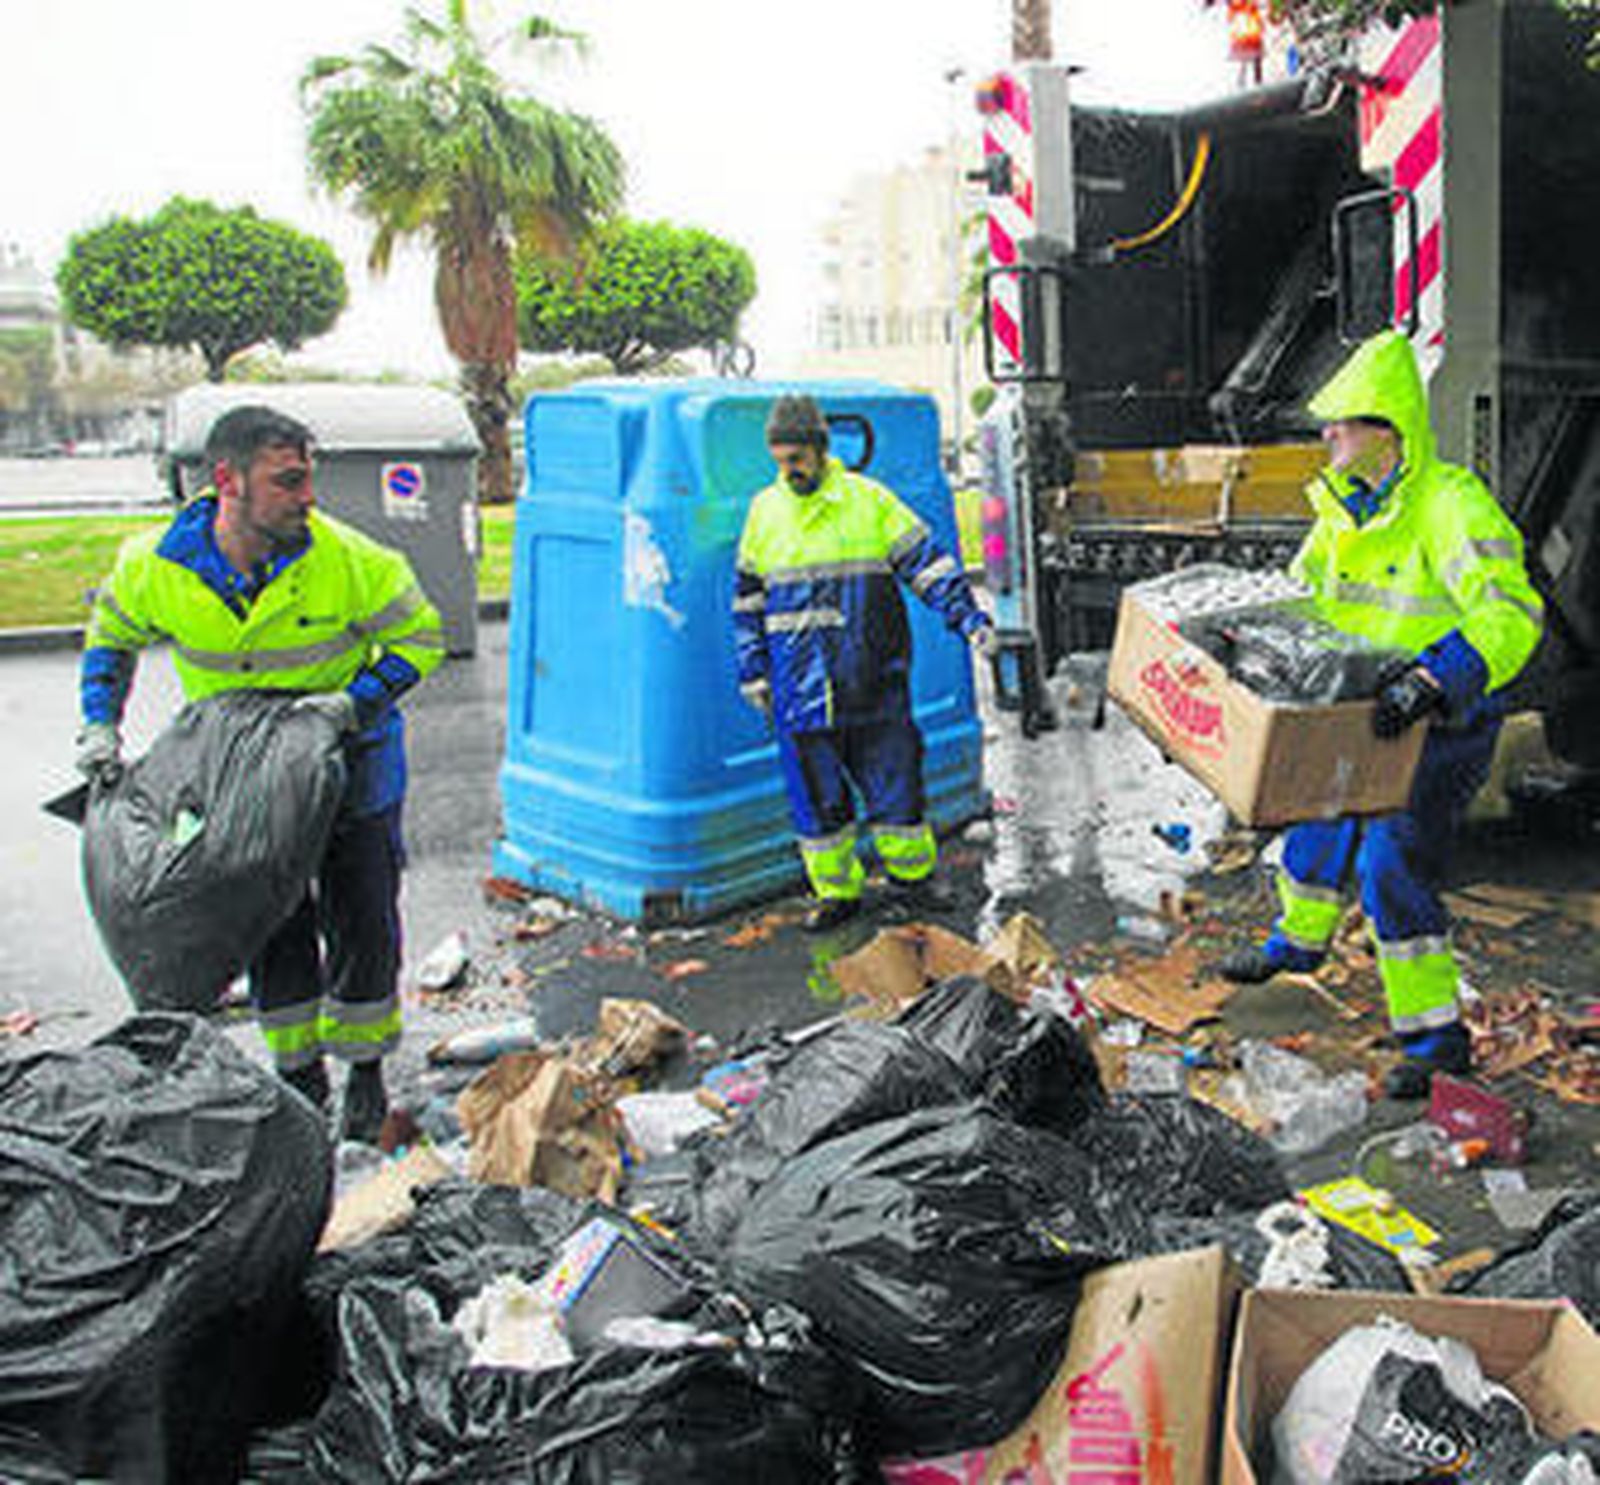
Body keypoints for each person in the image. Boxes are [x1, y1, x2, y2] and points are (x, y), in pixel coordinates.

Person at [75, 405, 445, 1139]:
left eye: (307, 478)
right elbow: (110, 637)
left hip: (348, 761)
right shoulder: (156, 567)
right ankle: (299, 1073)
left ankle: (365, 1069)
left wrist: (352, 703)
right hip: (239, 777)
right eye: (288, 481)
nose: (308, 496)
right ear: (227, 481)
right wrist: (98, 723)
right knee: (268, 921)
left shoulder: (350, 559)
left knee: (364, 918)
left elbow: (421, 635)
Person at [1218, 331, 1544, 1098]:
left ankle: (1436, 1039)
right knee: (1316, 819)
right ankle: (1298, 942)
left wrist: (1437, 677)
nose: (1327, 435)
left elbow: (1513, 611)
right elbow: (1303, 597)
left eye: (1344, 422)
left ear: (1388, 428)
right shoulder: (1341, 509)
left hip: (1441, 722)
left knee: (1392, 862)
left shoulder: (1450, 504)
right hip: (1359, 712)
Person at [733, 393, 998, 932]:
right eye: (780, 460)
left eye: (797, 459)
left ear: (821, 449)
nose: (789, 471)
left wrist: (969, 619)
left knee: (896, 787)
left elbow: (928, 566)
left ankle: (914, 882)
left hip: (872, 680)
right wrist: (754, 671)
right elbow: (747, 600)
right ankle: (837, 894)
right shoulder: (765, 510)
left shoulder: (868, 501)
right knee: (817, 800)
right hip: (799, 692)